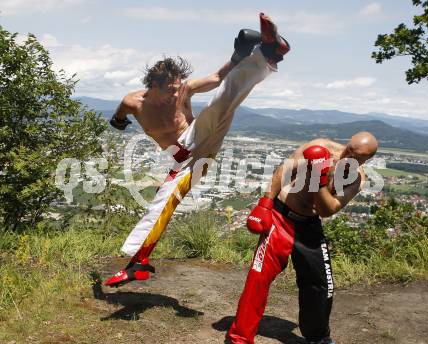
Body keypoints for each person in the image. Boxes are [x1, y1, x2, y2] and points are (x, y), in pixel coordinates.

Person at [104, 13, 291, 287]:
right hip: (186, 159)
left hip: (196, 138)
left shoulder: (184, 90)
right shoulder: (132, 102)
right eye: (170, 89)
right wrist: (119, 122)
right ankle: (139, 263)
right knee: (164, 202)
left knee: (223, 98)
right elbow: (118, 117)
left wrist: (237, 56)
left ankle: (267, 53)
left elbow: (217, 77)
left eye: (179, 87)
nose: (176, 93)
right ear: (152, 86)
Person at [227, 132, 379, 344]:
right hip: (282, 217)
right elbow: (284, 169)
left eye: (357, 156)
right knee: (258, 277)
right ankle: (240, 338)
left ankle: (318, 338)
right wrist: (265, 202)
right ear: (348, 142)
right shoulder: (320, 146)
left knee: (321, 285)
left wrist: (320, 179)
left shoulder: (355, 178)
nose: (349, 155)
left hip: (309, 226)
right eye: (349, 149)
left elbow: (328, 209)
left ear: (366, 160)